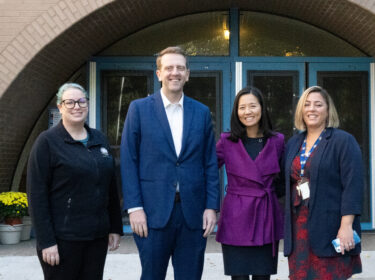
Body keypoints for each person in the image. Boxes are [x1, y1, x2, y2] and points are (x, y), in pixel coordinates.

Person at [120, 46, 220, 280]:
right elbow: (128, 160)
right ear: (159, 74)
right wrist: (134, 208)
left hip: (193, 214)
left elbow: (209, 163)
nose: (174, 73)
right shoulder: (139, 109)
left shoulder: (202, 112)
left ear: (187, 74)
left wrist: (211, 207)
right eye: (169, 68)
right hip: (152, 215)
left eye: (180, 68)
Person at [27, 83, 123, 280]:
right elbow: (36, 196)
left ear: (87, 104)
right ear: (60, 107)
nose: (76, 107)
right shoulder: (47, 142)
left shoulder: (99, 139)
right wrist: (46, 242)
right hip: (63, 240)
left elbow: (111, 187)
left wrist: (114, 227)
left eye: (81, 101)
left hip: (96, 238)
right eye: (69, 102)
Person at [283, 86, 363, 280]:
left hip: (330, 228)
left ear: (328, 110)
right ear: (301, 110)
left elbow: (353, 186)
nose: (312, 109)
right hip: (299, 230)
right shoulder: (294, 143)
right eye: (307, 105)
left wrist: (346, 226)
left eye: (318, 105)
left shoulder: (343, 141)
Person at [215, 87, 284, 280]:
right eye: (242, 107)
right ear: (236, 111)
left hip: (265, 215)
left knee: (263, 277)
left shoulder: (277, 141)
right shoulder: (227, 141)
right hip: (235, 218)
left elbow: (285, 178)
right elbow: (207, 171)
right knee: (239, 277)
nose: (248, 112)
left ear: (262, 108)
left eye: (252, 106)